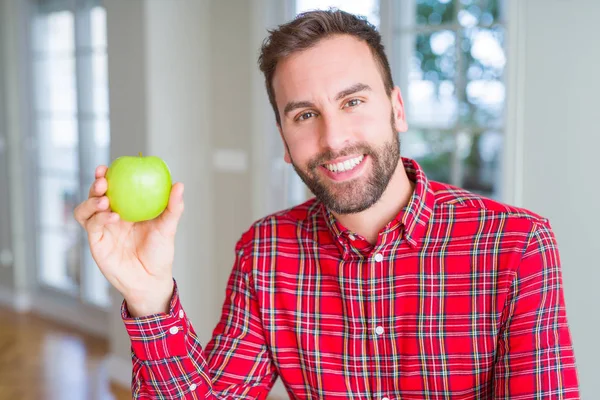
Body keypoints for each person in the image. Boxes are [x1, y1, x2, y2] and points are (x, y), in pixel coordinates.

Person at [74, 9, 580, 399]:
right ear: (283, 136)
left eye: (353, 101)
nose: (333, 138)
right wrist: (148, 296)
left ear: (396, 108)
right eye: (304, 115)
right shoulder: (265, 252)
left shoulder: (517, 245)